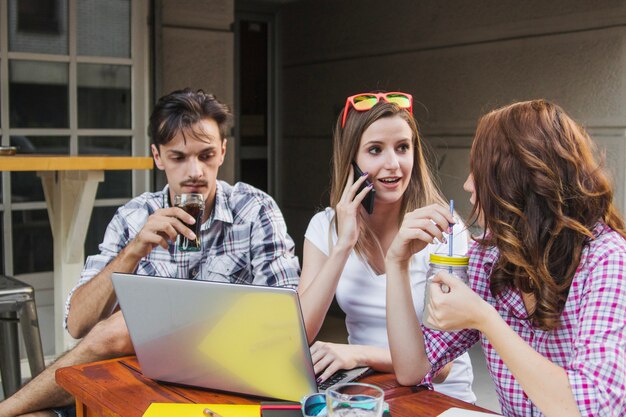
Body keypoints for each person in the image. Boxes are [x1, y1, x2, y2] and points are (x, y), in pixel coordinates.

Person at [0, 88, 300, 417]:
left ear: (223, 152)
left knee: (120, 328)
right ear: (158, 157)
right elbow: (77, 324)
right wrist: (134, 250)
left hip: (229, 370)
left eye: (206, 155)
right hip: (140, 378)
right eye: (179, 157)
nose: (195, 172)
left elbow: (285, 316)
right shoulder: (134, 216)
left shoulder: (255, 210)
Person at [386, 99, 626, 416]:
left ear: (516, 180)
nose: (468, 185)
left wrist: (486, 319)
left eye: (479, 170)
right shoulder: (490, 256)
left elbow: (593, 408)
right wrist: (396, 263)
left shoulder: (607, 259)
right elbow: (412, 369)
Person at [297, 91, 476, 403]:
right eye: (375, 150)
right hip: (366, 394)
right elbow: (298, 336)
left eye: (403, 148)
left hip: (440, 399)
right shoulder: (324, 227)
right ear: (350, 162)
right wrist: (343, 246)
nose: (393, 164)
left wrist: (357, 354)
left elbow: (442, 365)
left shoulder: (444, 229)